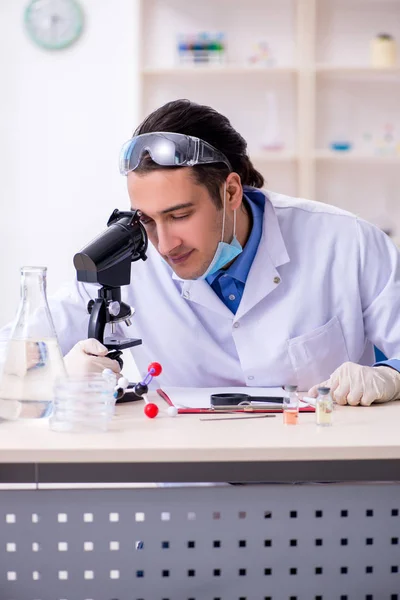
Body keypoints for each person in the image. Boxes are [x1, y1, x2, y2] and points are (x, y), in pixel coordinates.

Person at [5, 99, 400, 406]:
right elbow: (11, 357)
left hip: (329, 488)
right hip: (189, 491)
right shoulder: (124, 264)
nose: (163, 243)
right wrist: (55, 373)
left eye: (179, 215)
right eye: (146, 219)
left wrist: (390, 376)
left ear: (230, 191)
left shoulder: (346, 242)